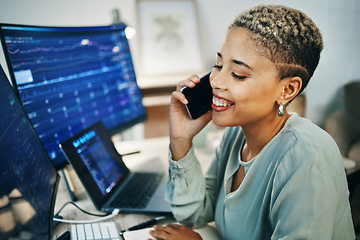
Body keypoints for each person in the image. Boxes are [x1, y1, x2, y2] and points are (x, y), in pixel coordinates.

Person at [149, 4, 355, 240]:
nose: (216, 81)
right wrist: (181, 139)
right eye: (218, 65)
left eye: (238, 74)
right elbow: (195, 214)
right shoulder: (236, 134)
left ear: (287, 89)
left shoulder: (307, 155)